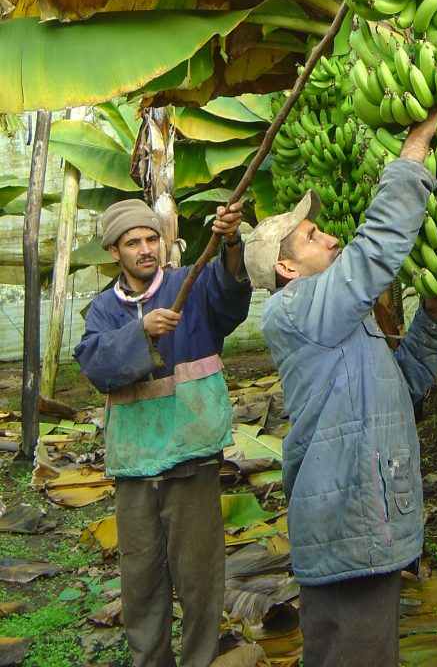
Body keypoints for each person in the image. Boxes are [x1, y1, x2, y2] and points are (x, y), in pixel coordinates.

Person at [243, 110, 437, 667]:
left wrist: (433, 318)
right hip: (352, 517)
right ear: (286, 268)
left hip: (359, 515)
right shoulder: (297, 308)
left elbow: (401, 388)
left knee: (340, 650)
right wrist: (413, 153)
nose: (330, 237)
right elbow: (374, 252)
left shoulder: (338, 319)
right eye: (313, 236)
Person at [74, 197, 252, 667]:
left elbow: (230, 296)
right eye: (133, 242)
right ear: (115, 251)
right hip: (135, 467)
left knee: (199, 582)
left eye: (151, 238)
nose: (145, 249)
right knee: (141, 583)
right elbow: (95, 364)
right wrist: (143, 333)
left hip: (190, 456)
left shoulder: (186, 284)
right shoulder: (104, 311)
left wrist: (231, 241)